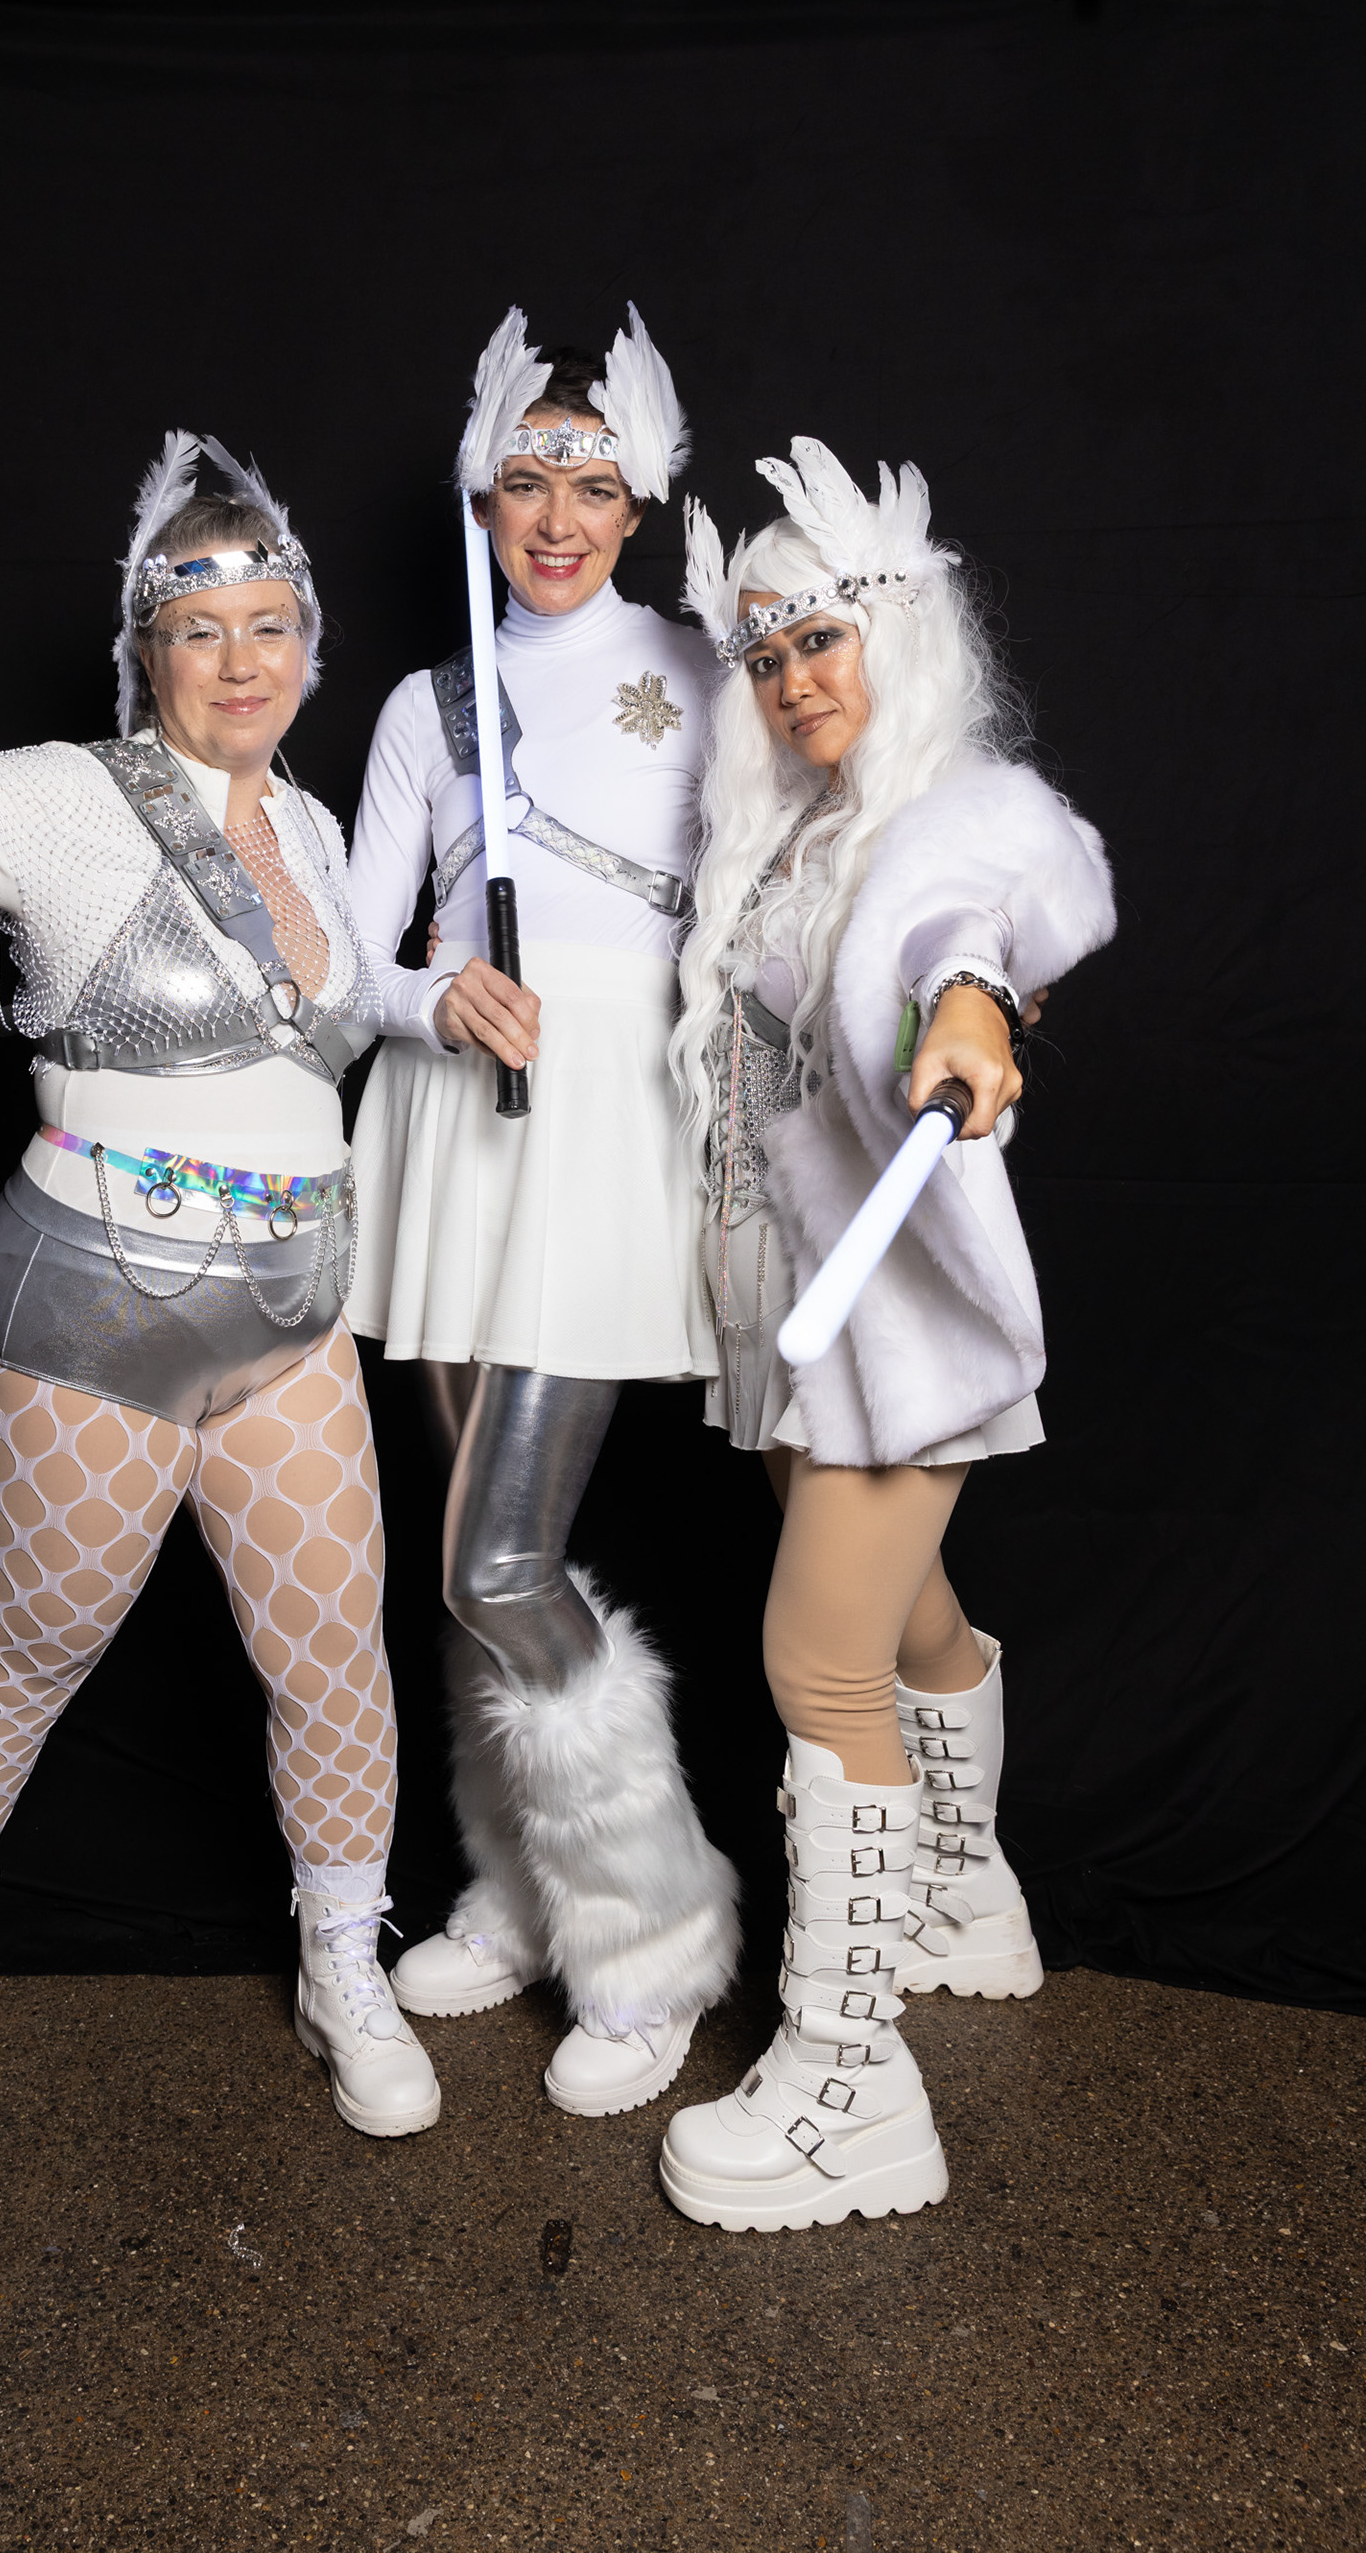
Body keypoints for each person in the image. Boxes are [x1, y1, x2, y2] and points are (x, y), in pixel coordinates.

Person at [0, 434, 441, 2139]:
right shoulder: (71, 799)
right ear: (149, 650)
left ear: (308, 646)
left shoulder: (318, 830)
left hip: (293, 1316)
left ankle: (343, 1963)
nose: (241, 660)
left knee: (334, 1656)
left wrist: (456, 1000)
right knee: (32, 1645)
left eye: (270, 626)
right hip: (93, 1309)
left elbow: (335, 1024)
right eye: (202, 631)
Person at [655, 439, 1115, 2230]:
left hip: (891, 1323)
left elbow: (988, 906)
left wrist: (970, 1007)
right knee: (908, 1615)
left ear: (900, 637)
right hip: (790, 1312)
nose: (794, 681)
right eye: (766, 657)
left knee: (818, 1663)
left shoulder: (952, 811)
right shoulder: (788, 832)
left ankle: (853, 2087)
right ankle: (966, 1892)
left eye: (823, 641)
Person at [345, 307, 741, 2120]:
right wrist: (435, 997)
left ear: (638, 503)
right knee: (464, 1557)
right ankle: (518, 1894)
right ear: (484, 499)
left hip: (602, 1130)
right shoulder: (424, 708)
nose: (558, 517)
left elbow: (795, 878)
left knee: (499, 1563)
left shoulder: (706, 671)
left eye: (591, 485)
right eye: (526, 482)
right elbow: (343, 964)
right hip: (451, 1126)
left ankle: (651, 1941)